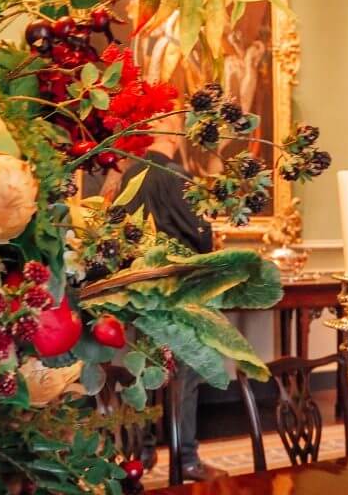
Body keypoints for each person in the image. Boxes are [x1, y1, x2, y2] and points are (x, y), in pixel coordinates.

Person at [116, 108, 222, 482]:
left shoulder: (130, 174)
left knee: (143, 372)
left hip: (141, 293)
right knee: (186, 376)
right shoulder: (179, 178)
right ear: (174, 136)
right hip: (179, 294)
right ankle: (186, 457)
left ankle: (141, 454)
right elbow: (201, 235)